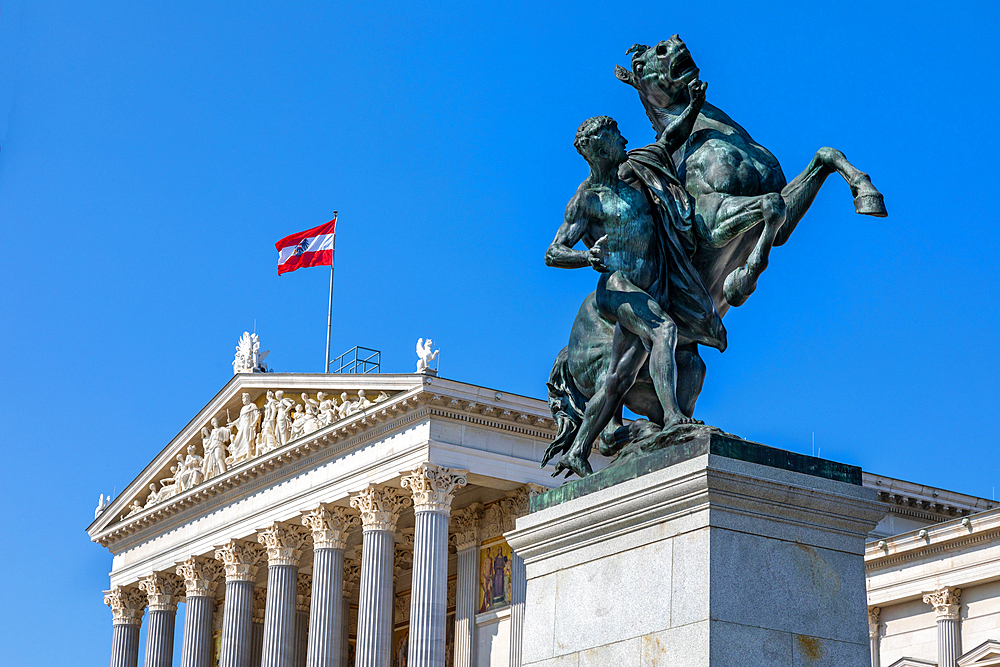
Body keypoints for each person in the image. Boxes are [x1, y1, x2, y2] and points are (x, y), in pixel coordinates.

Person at [544, 79, 723, 477]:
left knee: (617, 379)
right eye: (616, 135)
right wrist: (586, 257)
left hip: (649, 284)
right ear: (599, 148)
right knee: (664, 330)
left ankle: (578, 448)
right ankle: (675, 418)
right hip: (616, 287)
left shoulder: (634, 172)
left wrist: (693, 105)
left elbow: (671, 137)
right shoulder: (587, 199)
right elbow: (552, 252)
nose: (625, 138)